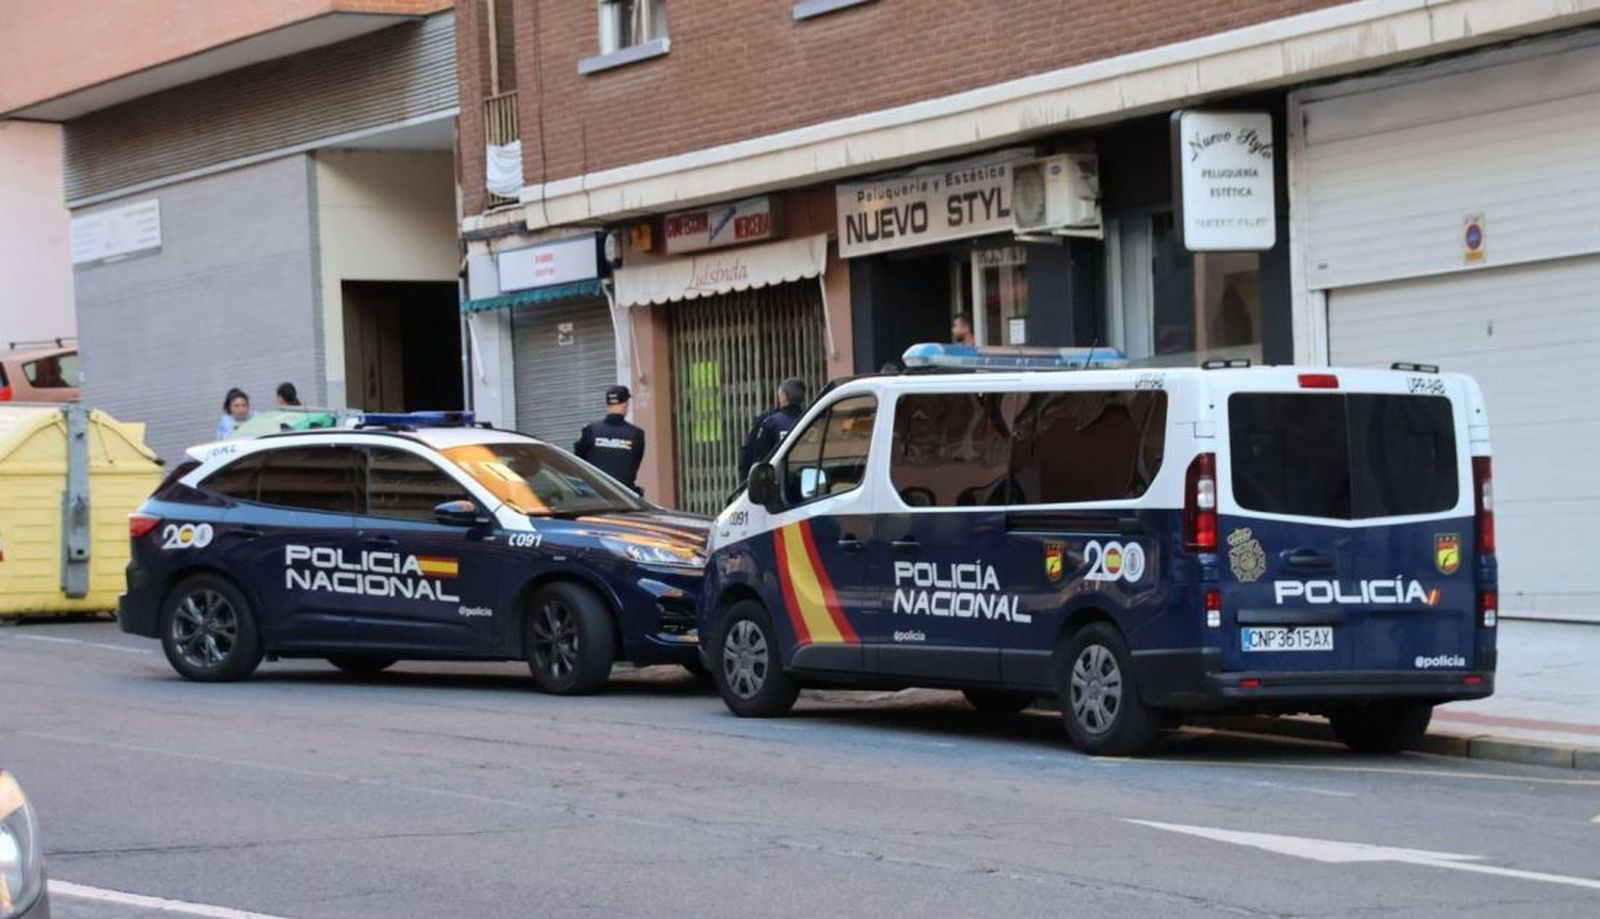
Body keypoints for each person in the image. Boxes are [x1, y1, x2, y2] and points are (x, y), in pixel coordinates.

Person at [573, 385, 646, 493]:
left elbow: (577, 461)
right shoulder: (636, 434)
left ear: (607, 404)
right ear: (625, 404)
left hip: (593, 495)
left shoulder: (590, 430)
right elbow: (634, 467)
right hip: (622, 496)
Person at [738, 377, 807, 480]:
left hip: (779, 483)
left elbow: (758, 459)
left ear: (784, 397)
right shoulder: (813, 418)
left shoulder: (770, 422)